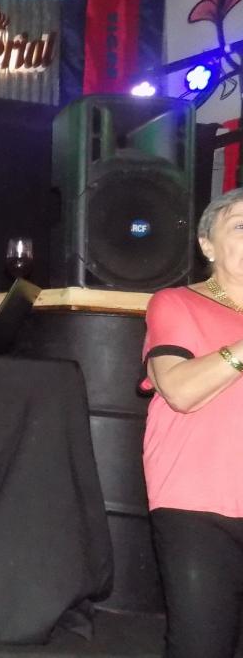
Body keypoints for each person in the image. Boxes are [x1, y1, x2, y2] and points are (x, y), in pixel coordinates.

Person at [141, 186, 243, 658]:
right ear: (207, 244)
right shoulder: (176, 303)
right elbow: (179, 391)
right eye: (241, 226)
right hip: (198, 506)